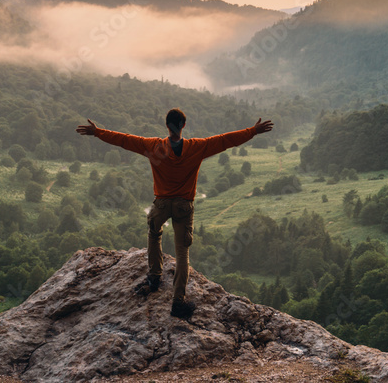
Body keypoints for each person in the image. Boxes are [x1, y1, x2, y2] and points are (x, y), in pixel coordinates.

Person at [76, 108, 273, 319]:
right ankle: (178, 301)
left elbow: (124, 140)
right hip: (183, 207)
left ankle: (154, 276)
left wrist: (98, 132)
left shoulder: (154, 146)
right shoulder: (197, 147)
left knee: (154, 234)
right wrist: (252, 131)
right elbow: (226, 140)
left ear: (166, 126)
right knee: (182, 254)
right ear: (184, 126)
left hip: (160, 205)